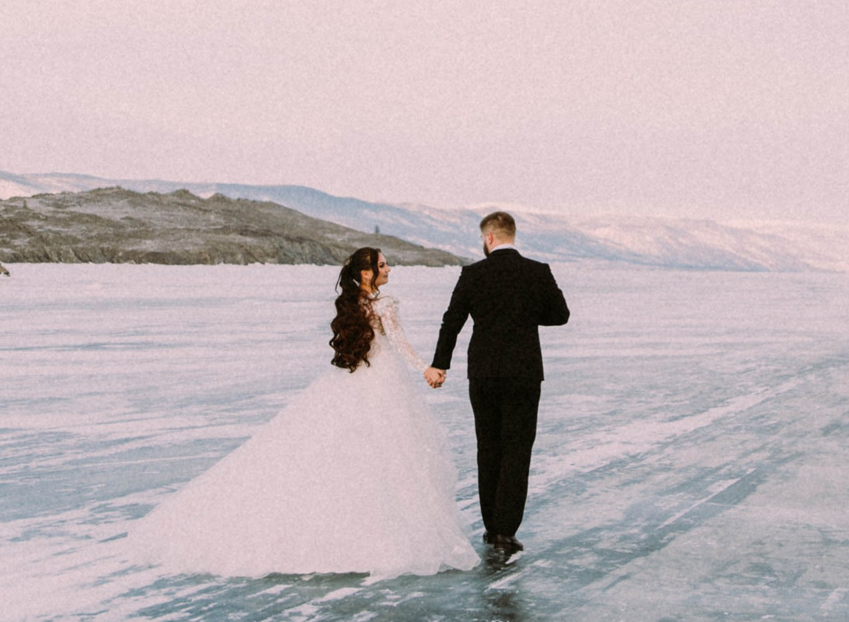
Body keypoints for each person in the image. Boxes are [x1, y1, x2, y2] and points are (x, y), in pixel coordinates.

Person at [134, 247, 477, 578]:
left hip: (354, 377)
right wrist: (427, 369)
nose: (389, 270)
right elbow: (399, 343)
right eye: (383, 266)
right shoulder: (384, 304)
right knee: (383, 454)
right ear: (366, 273)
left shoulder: (351, 304)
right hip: (383, 381)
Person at [424, 212, 571, 557]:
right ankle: (506, 531)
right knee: (517, 449)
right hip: (524, 373)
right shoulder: (538, 271)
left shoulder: (473, 274)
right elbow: (560, 315)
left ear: (489, 237)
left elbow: (452, 322)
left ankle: (491, 527)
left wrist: (440, 364)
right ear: (510, 235)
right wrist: (525, 315)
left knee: (488, 447)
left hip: (484, 373)